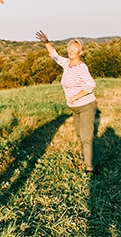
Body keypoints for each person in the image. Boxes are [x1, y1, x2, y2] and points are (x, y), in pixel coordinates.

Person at [36, 30, 98, 174]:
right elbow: (54, 55)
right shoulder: (66, 64)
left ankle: (91, 168)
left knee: (86, 137)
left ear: (80, 52)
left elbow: (90, 85)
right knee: (80, 136)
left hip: (86, 106)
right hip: (75, 108)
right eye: (70, 48)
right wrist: (46, 42)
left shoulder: (81, 67)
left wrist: (76, 96)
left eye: (75, 49)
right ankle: (89, 159)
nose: (71, 51)